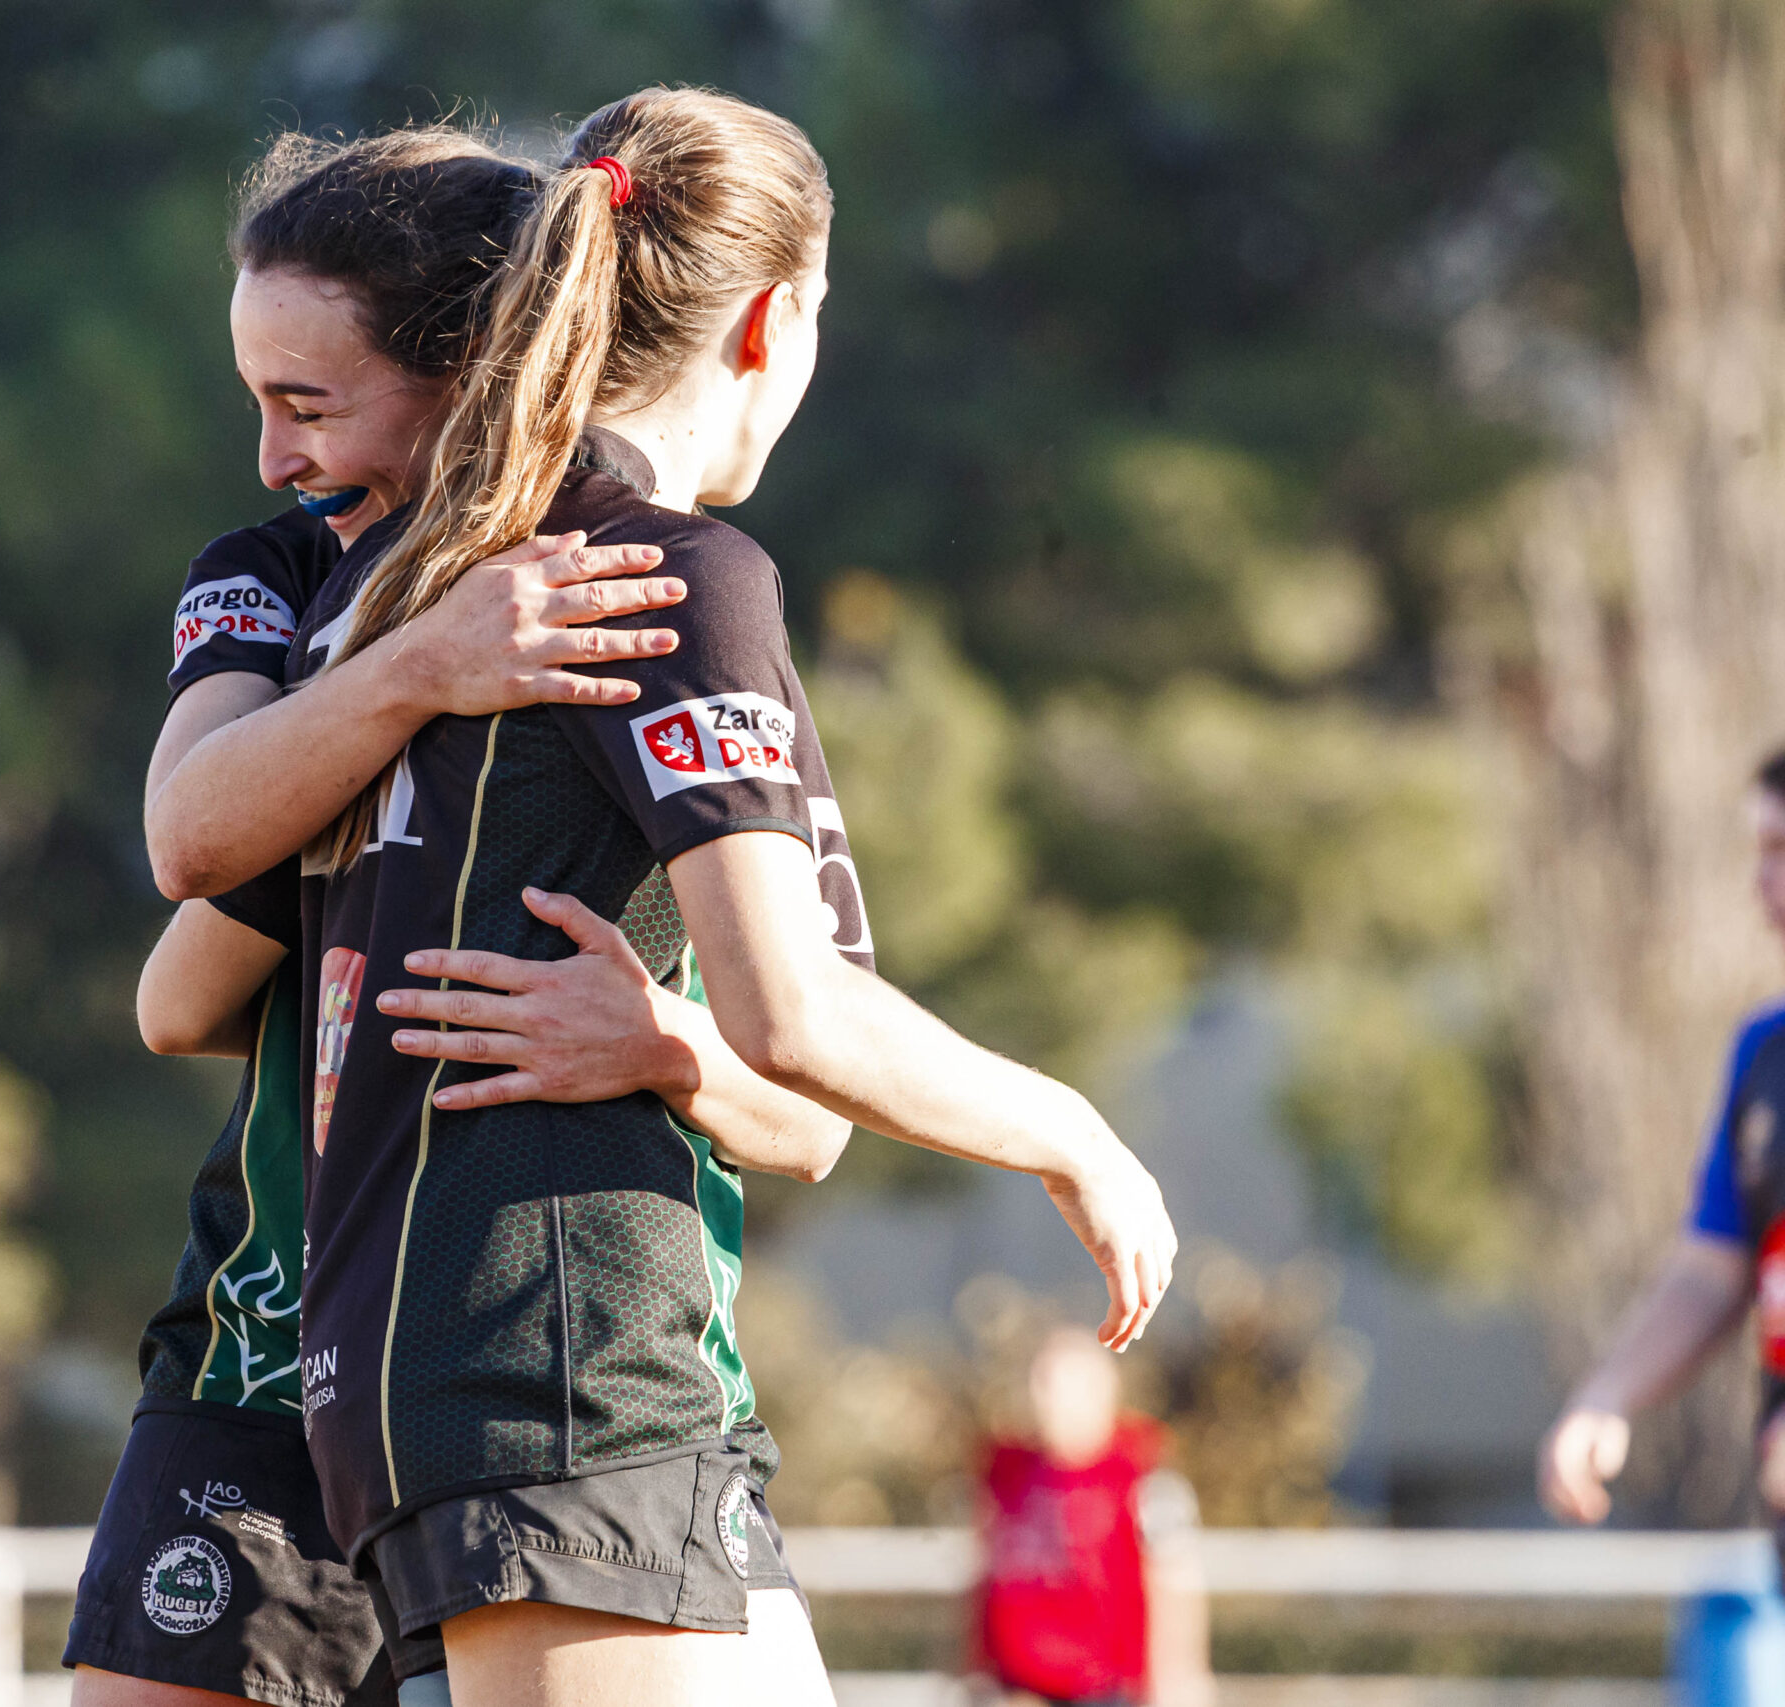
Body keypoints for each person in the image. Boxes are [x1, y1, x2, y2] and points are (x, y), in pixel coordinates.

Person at [158, 87, 1178, 1707]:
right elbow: (795, 1010)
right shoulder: (663, 577)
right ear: (780, 318)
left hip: (442, 1388)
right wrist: (1072, 1127)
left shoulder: (398, 580)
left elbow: (190, 953)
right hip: (562, 1372)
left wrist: (664, 1049)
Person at [68, 130, 848, 1707]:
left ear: (477, 365)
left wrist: (673, 1043)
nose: (274, 458)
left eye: (310, 403)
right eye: (257, 402)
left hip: (523, 1368)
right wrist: (412, 680)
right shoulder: (296, 584)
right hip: (269, 1347)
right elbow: (183, 924)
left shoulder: (640, 609)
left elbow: (807, 1094)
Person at [1539, 748, 1785, 1530]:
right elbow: (1713, 1270)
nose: (1761, 880)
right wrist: (1607, 1394)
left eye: (1781, 848)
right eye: (1758, 849)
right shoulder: (1764, 1051)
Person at [970, 1327, 1211, 1707]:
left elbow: (1173, 1588)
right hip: (1016, 1685)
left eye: (1067, 1389)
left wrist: (1176, 1685)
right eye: (1043, 1385)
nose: (1050, 1402)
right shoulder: (1009, 1472)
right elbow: (983, 1571)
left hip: (1100, 1691)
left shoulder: (1144, 1475)